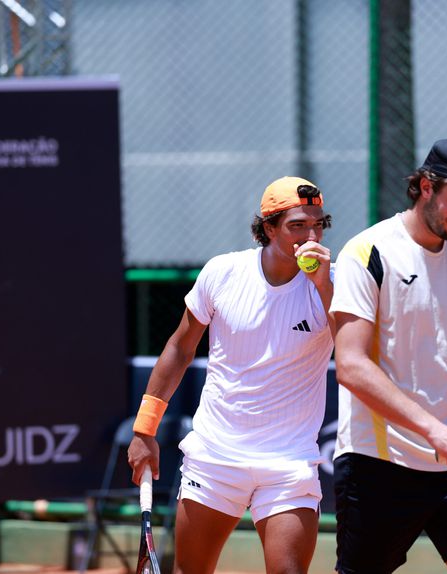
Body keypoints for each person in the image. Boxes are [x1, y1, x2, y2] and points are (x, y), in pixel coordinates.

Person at [127, 176, 335, 574]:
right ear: (268, 227)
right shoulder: (222, 273)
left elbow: (355, 351)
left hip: (288, 462)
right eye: (297, 226)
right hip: (215, 456)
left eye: (318, 224)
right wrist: (144, 430)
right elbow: (179, 348)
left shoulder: (335, 283)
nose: (310, 236)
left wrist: (325, 287)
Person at [330, 138, 447, 574]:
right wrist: (435, 432)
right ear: (426, 186)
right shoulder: (367, 252)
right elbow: (351, 366)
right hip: (379, 465)